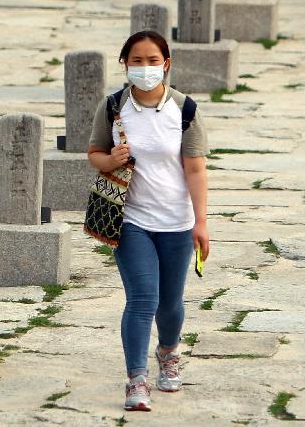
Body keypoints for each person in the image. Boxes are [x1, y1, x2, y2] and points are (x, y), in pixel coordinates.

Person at [87, 30, 210, 412]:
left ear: (166, 63)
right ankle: (136, 380)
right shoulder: (112, 107)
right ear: (125, 64)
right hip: (130, 219)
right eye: (136, 61)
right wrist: (112, 161)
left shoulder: (185, 110)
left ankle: (169, 353)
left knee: (170, 303)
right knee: (143, 299)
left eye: (152, 60)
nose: (145, 68)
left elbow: (195, 169)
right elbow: (95, 152)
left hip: (176, 220)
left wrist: (201, 223)